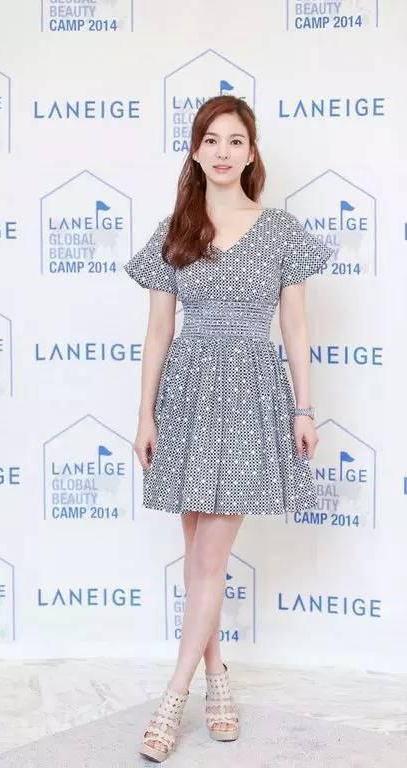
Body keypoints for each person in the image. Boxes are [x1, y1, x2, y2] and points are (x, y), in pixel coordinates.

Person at [123, 94, 335, 762]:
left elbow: (295, 328)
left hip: (250, 396)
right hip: (187, 395)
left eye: (234, 140)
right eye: (210, 140)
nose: (222, 151)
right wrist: (145, 413)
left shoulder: (281, 231)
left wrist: (304, 408)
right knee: (197, 556)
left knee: (210, 557)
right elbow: (158, 332)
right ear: (195, 150)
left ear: (250, 152)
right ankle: (217, 676)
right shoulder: (176, 229)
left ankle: (173, 696)